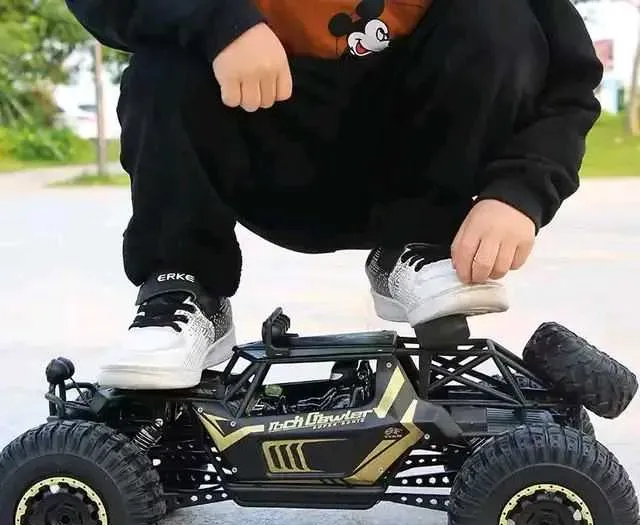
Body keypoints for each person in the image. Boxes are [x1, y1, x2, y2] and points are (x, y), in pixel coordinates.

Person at [65, 0, 603, 390]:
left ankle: (417, 247)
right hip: (260, 148)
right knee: (165, 57)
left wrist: (519, 191)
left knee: (498, 19)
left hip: (409, 167)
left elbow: (567, 79)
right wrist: (219, 23)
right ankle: (184, 286)